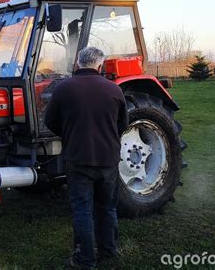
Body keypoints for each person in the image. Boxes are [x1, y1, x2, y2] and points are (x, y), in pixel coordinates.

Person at [44, 47, 128, 269]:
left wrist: (69, 133)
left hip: (78, 158)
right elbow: (123, 124)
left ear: (78, 63)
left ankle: (85, 258)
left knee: (82, 208)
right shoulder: (114, 90)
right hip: (108, 160)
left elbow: (49, 121)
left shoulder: (63, 89)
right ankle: (109, 250)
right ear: (100, 66)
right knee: (107, 207)